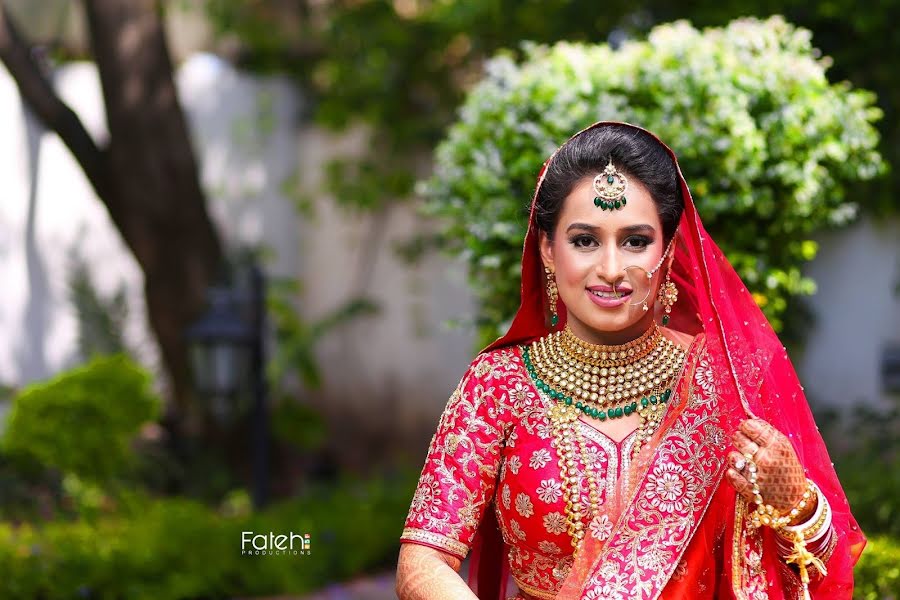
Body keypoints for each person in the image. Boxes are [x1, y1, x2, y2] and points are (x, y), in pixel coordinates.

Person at [395, 122, 863, 599]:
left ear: (669, 250)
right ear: (547, 250)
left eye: (636, 241)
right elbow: (423, 558)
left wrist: (797, 504)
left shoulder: (725, 384)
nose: (612, 269)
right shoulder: (499, 384)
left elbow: (823, 569)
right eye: (584, 241)